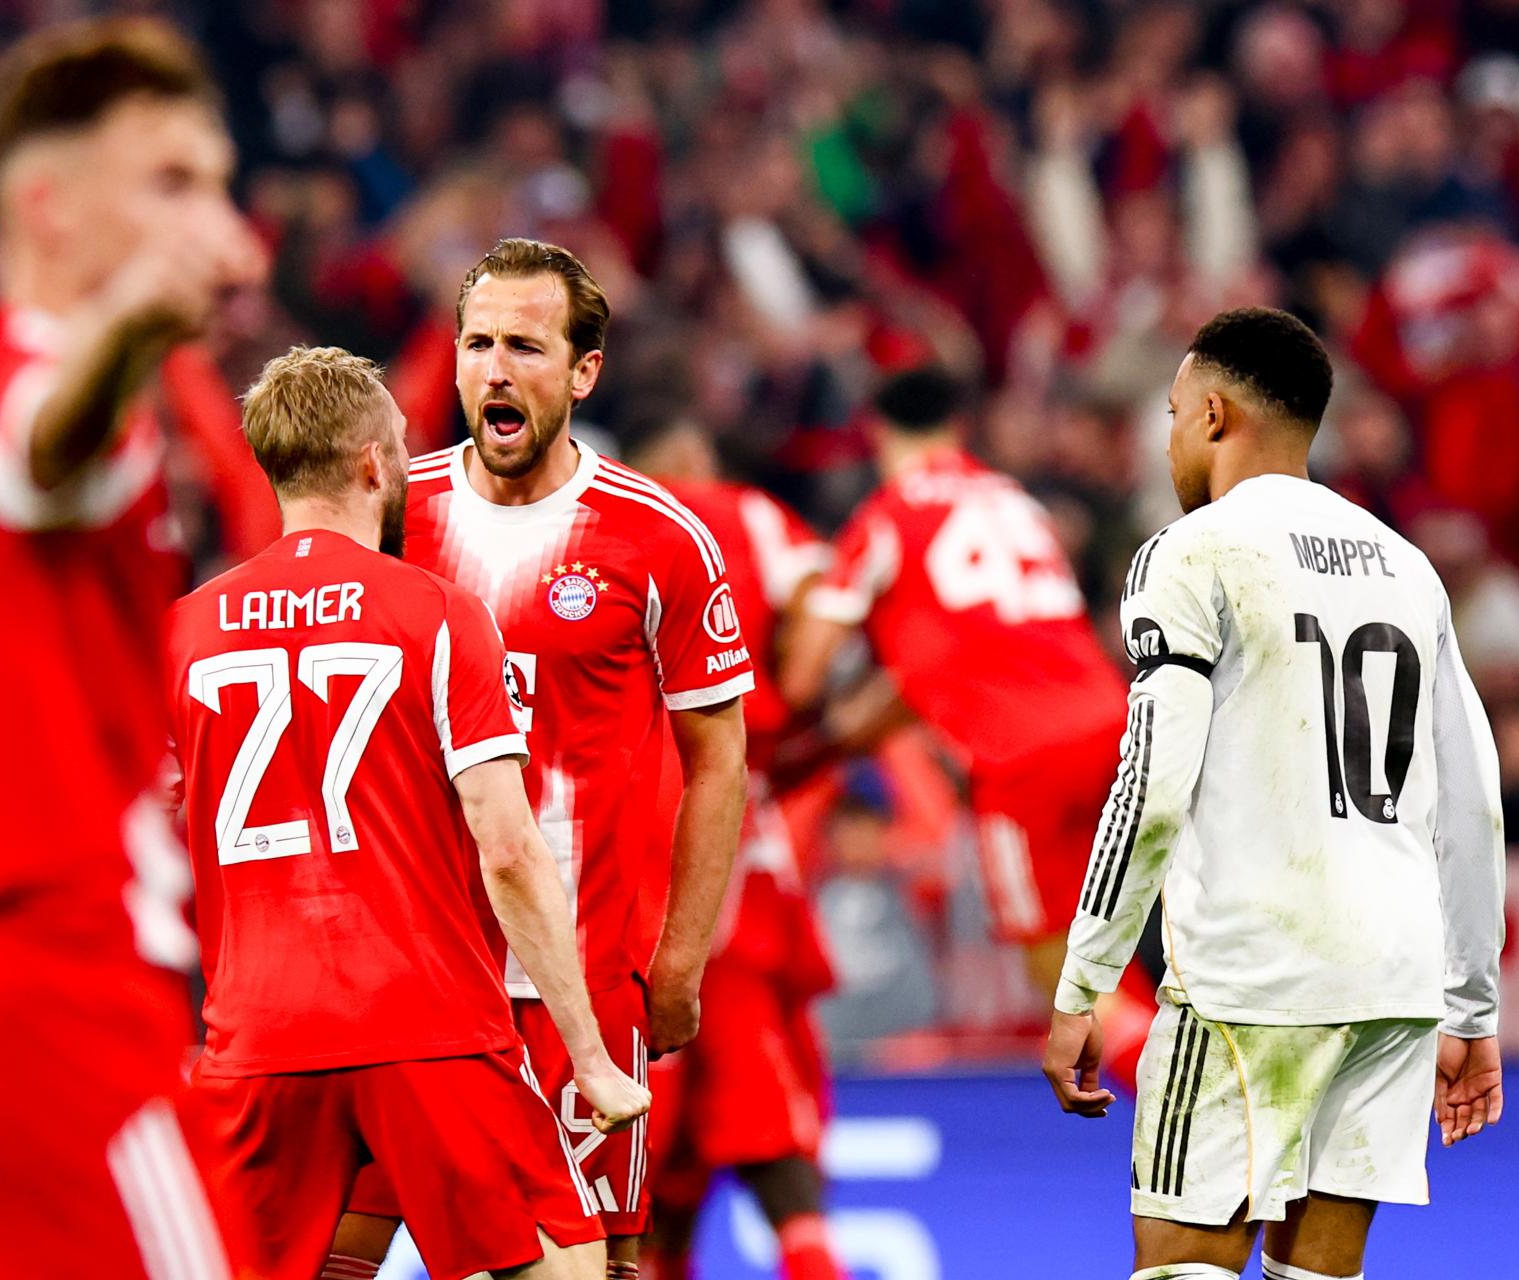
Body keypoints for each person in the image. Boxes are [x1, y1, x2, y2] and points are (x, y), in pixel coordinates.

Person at [0, 17, 264, 1278]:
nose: (223, 231)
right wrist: (132, 321)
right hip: (65, 1000)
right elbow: (45, 449)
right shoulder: (36, 409)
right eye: (171, 183)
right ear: (49, 206)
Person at [1042, 307, 1507, 1280]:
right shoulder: (1405, 565)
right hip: (1391, 979)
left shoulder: (1191, 551)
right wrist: (1470, 1006)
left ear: (1214, 414)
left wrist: (1086, 979)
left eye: (1173, 414)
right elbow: (1472, 800)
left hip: (1250, 977)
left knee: (1183, 1266)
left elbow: (1151, 782)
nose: (1169, 438)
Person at [168, 347, 648, 1280]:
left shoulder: (184, 630)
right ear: (373, 463)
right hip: (425, 1022)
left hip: (257, 1033)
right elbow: (508, 849)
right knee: (564, 1264)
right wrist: (588, 1054)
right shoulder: (438, 614)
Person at [333, 239, 751, 1280]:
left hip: (577, 979)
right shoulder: (390, 514)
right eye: (478, 343)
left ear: (583, 371)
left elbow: (718, 760)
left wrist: (680, 959)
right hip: (410, 975)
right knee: (332, 1250)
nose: (496, 368)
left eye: (525, 345)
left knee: (602, 1263)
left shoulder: (659, 537)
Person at [782, 366, 1155, 1089]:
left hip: (1022, 759)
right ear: (956, 429)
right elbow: (967, 648)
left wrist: (806, 734)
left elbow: (804, 674)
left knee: (1062, 979)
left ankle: (1191, 1108)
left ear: (878, 435)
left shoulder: (886, 518)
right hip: (1119, 728)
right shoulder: (1015, 501)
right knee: (1124, 948)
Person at [627, 421, 847, 1280]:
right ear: (694, 455)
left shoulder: (597, 527)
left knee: (641, 1175)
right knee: (775, 1143)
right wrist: (792, 699)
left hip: (623, 861)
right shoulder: (740, 512)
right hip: (726, 853)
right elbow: (825, 599)